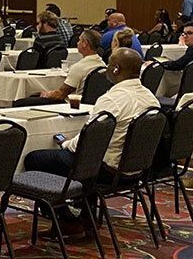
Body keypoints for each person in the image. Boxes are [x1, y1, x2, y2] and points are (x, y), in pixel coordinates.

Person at [23, 48, 159, 237]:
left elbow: (86, 144)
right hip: (136, 170)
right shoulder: (151, 98)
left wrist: (65, 144)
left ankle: (65, 220)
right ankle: (87, 215)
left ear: (117, 69)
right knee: (91, 160)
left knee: (34, 159)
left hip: (106, 171)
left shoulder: (112, 100)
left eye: (109, 64)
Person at [39, 30, 106, 101]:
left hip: (73, 105)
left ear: (85, 43)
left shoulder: (79, 67)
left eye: (79, 40)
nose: (77, 43)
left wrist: (46, 94)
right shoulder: (102, 64)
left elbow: (60, 94)